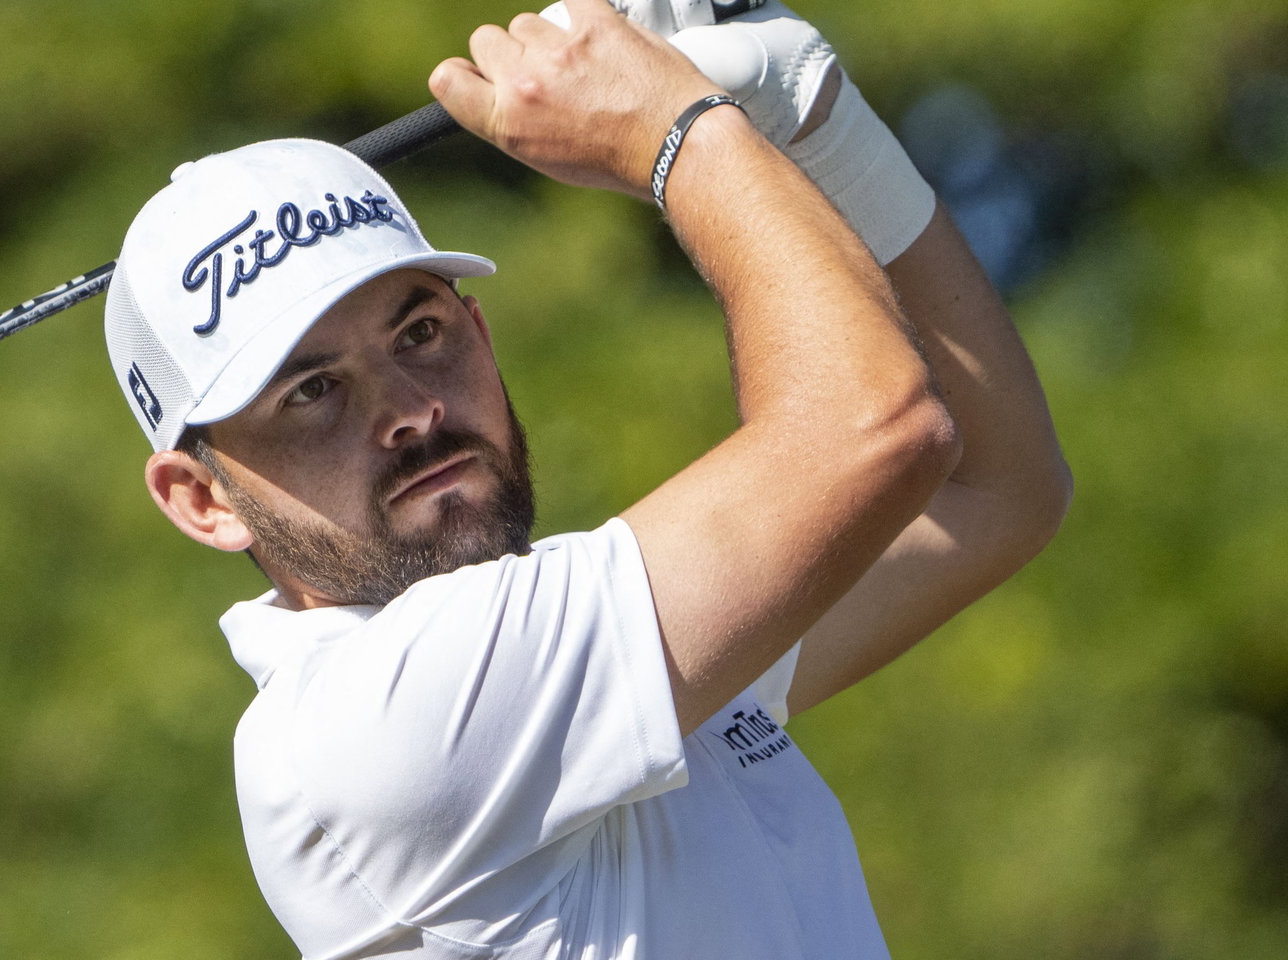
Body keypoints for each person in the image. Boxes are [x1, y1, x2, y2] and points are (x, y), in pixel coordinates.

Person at [103, 1, 1071, 956]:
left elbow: (995, 491)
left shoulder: (572, 641)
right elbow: (879, 428)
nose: (409, 410)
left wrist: (815, 122)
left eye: (420, 333)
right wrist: (684, 130)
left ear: (478, 335)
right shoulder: (362, 730)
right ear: (202, 499)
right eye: (312, 392)